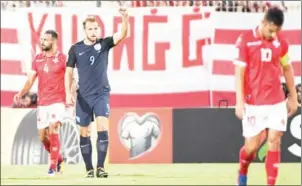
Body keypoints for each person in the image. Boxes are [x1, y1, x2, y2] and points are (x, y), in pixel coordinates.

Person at [233, 7, 298, 186]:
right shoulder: (245, 40)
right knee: (251, 147)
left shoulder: (281, 42)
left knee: (274, 140)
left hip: (276, 101)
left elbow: (287, 68)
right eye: (270, 30)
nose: (273, 35)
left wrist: (293, 97)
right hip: (253, 103)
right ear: (262, 22)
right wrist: (239, 101)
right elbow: (239, 72)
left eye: (277, 31)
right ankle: (243, 170)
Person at [65, 8, 129, 178]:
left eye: (96, 28)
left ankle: (100, 168)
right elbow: (69, 73)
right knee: (84, 132)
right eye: (90, 29)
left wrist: (125, 17)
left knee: (102, 127)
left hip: (101, 94)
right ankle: (89, 169)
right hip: (83, 97)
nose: (94, 32)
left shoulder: (104, 44)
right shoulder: (75, 49)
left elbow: (122, 34)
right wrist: (68, 92)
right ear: (85, 30)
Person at [14, 30, 66, 176]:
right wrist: (21, 93)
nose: (42, 42)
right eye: (41, 39)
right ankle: (59, 159)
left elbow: (70, 78)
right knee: (43, 137)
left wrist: (71, 94)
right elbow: (30, 80)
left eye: (45, 40)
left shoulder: (63, 59)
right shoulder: (37, 59)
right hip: (43, 103)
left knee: (53, 128)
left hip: (57, 101)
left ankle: (52, 167)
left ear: (54, 41)